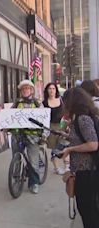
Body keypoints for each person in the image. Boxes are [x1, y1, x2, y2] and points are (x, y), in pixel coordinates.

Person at [60, 88, 99, 228]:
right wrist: (67, 136)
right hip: (84, 172)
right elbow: (83, 139)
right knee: (87, 210)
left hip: (88, 172)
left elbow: (93, 144)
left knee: (88, 211)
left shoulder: (83, 118)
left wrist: (70, 148)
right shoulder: (82, 117)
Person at [11, 80, 43, 194]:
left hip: (32, 135)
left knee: (33, 160)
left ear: (31, 90)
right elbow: (10, 116)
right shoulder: (16, 103)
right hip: (18, 134)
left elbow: (43, 117)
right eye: (23, 89)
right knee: (16, 157)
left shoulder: (37, 103)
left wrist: (42, 134)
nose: (25, 90)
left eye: (27, 88)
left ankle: (34, 183)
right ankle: (16, 177)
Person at [42, 82, 69, 175]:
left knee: (65, 145)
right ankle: (57, 168)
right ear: (47, 91)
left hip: (62, 126)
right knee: (54, 148)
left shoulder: (61, 100)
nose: (52, 91)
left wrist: (68, 125)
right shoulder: (44, 103)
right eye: (49, 89)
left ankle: (67, 167)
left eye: (53, 88)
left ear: (56, 90)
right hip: (51, 127)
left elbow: (66, 113)